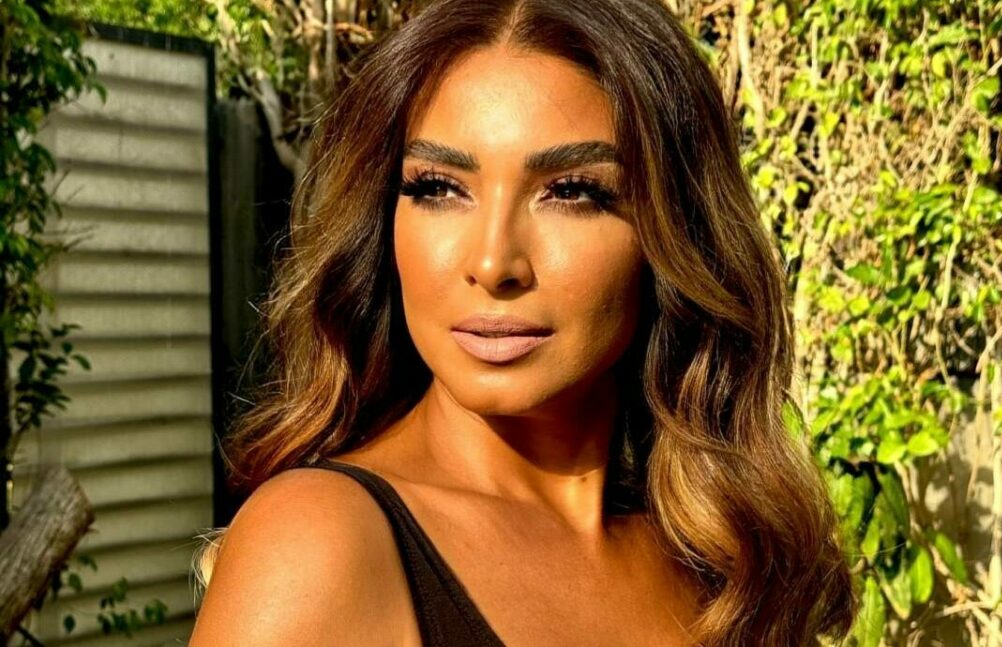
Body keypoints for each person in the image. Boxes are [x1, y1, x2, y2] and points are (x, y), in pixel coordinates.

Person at [188, 0, 857, 644]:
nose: (492, 263)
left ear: (674, 232)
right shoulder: (320, 543)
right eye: (439, 188)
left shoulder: (721, 552)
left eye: (571, 192)